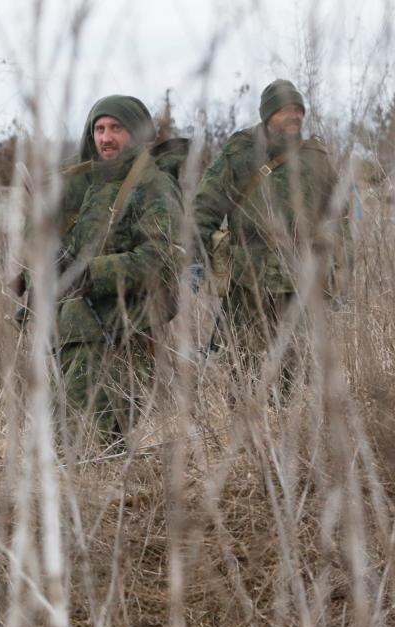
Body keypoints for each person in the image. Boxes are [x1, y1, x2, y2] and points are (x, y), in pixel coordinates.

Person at [55, 95, 183, 446]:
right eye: (99, 129)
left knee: (97, 443)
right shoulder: (91, 184)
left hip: (123, 334)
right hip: (73, 335)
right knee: (63, 439)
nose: (106, 138)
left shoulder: (153, 184)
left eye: (116, 128)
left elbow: (159, 258)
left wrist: (93, 272)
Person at [194, 79, 347, 364]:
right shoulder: (239, 151)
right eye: (284, 109)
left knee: (295, 360)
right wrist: (198, 258)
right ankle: (244, 409)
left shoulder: (315, 157)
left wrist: (336, 265)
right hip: (247, 278)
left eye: (298, 109)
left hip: (300, 275)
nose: (294, 115)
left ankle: (289, 409)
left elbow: (341, 213)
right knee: (243, 361)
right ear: (267, 115)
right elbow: (205, 207)